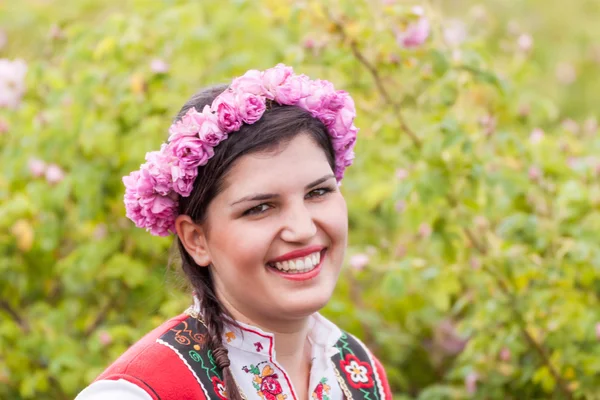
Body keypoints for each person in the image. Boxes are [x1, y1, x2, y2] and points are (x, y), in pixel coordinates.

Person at [75, 64, 392, 400]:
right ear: (196, 239)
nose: (302, 229)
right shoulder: (137, 393)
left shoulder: (359, 372)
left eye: (318, 192)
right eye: (260, 208)